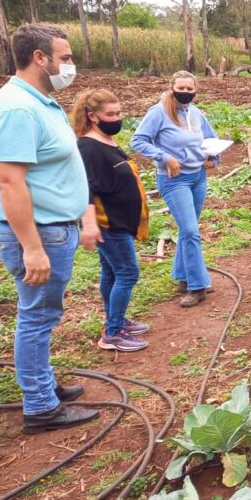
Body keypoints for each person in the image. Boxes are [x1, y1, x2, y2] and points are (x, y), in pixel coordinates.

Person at [0, 24, 100, 434]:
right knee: (37, 316)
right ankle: (40, 405)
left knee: (43, 314)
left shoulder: (41, 102)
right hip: (41, 233)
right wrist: (32, 247)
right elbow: (10, 181)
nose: (70, 66)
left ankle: (43, 385)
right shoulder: (17, 108)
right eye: (65, 57)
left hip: (54, 227)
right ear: (39, 58)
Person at [131, 71, 219, 307]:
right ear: (172, 88)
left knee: (187, 230)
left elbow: (211, 138)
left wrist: (213, 158)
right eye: (181, 88)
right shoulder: (158, 112)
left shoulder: (196, 113)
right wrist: (164, 157)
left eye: (190, 89)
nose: (186, 93)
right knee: (190, 231)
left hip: (197, 177)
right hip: (174, 180)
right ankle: (198, 285)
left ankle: (182, 277)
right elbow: (138, 140)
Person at [73, 89, 151, 352]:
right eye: (110, 114)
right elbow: (85, 187)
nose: (116, 118)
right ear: (93, 116)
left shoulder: (105, 140)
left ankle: (114, 321)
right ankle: (113, 332)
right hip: (108, 223)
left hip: (121, 221)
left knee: (111, 271)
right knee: (128, 272)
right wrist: (90, 223)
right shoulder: (88, 147)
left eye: (118, 113)